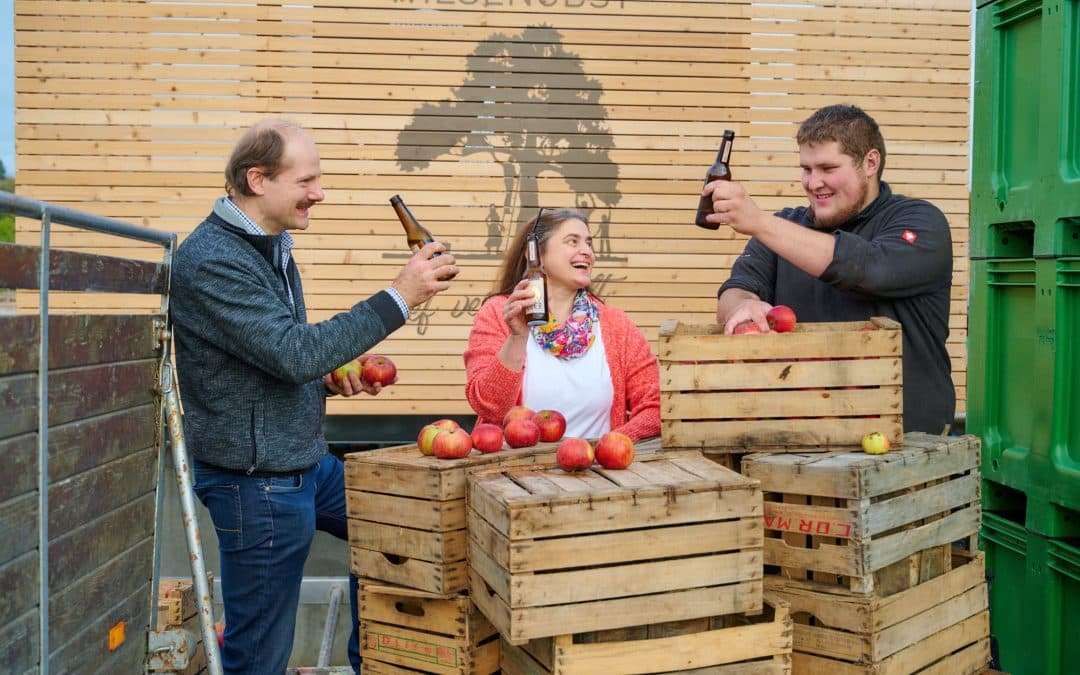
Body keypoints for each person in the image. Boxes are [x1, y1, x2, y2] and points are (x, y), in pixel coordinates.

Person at [170, 119, 457, 674]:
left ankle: (363, 664)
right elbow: (292, 351)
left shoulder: (268, 244)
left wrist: (324, 378)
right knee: (260, 655)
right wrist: (401, 296)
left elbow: (272, 353)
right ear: (258, 179)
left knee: (396, 522)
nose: (319, 193)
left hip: (302, 462)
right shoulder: (212, 260)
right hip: (258, 483)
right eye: (306, 181)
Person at [706, 104, 954, 434]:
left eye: (827, 168)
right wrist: (743, 305)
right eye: (806, 169)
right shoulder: (782, 228)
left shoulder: (920, 222)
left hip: (908, 449)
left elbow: (868, 269)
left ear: (870, 163)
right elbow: (734, 291)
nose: (813, 182)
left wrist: (759, 222)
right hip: (800, 444)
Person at [464, 208, 660, 441]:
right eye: (572, 241)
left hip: (598, 472)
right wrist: (517, 338)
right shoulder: (498, 313)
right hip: (514, 473)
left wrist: (607, 447)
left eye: (589, 243)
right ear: (536, 254)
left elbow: (654, 408)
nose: (586, 251)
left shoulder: (617, 325)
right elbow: (490, 409)